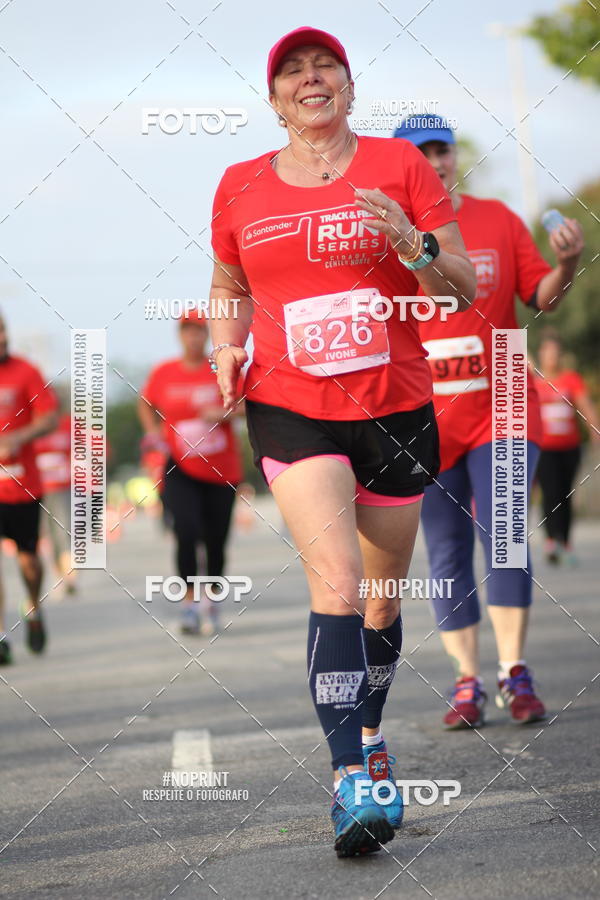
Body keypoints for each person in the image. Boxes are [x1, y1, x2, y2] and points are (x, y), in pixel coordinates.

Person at [208, 27, 476, 857]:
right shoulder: (239, 184)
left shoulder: (402, 166)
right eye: (292, 70)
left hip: (395, 406)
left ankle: (370, 735)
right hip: (291, 404)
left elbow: (459, 285)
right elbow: (227, 282)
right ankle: (348, 779)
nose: (310, 78)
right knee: (337, 575)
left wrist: (412, 241)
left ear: (349, 88)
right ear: (276, 98)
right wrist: (227, 344)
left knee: (382, 597)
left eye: (324, 66)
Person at [393, 115, 584, 729]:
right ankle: (467, 682)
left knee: (504, 539)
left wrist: (569, 264)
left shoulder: (497, 219)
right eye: (419, 154)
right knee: (445, 551)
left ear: (454, 156)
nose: (435, 161)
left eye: (441, 150)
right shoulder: (384, 236)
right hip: (424, 410)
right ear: (404, 167)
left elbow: (542, 295)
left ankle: (514, 672)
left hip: (502, 396)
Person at [138, 308, 244, 636]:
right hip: (179, 466)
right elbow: (145, 403)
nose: (193, 336)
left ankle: (210, 602)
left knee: (215, 539)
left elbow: (248, 404)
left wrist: (224, 414)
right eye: (187, 330)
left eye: (199, 330)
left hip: (221, 469)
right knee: (185, 531)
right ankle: (188, 605)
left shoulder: (221, 368)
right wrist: (153, 432)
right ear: (179, 335)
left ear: (207, 334)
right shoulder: (164, 372)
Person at [0, 313, 59, 663]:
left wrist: (18, 437)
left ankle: (34, 609)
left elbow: (49, 416)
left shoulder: (26, 371)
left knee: (28, 561)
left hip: (23, 485)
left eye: (3, 331)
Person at [534, 332, 600, 564]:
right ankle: (552, 540)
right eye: (547, 351)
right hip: (543, 448)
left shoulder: (570, 379)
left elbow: (585, 406)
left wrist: (595, 431)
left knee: (566, 494)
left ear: (560, 355)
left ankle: (566, 541)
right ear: (541, 354)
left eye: (555, 352)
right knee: (550, 492)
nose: (551, 356)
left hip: (569, 448)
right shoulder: (533, 381)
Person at [34, 405, 77, 596]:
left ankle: (70, 579)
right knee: (48, 537)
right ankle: (58, 575)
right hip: (38, 491)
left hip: (63, 488)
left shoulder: (68, 425)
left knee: (65, 532)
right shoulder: (30, 426)